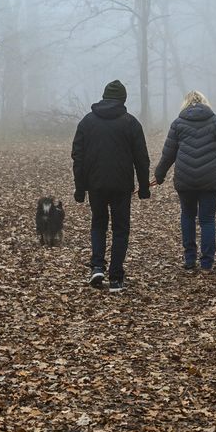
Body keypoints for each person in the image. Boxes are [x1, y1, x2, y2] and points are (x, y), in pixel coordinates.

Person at [72, 80, 151, 293]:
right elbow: (141, 158)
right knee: (120, 229)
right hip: (121, 185)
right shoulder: (130, 123)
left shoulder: (87, 122)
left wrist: (80, 188)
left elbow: (77, 157)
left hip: (95, 184)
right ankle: (116, 277)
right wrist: (144, 187)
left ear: (104, 97)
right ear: (123, 99)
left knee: (98, 224)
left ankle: (97, 266)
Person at [153, 91, 216, 273]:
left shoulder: (178, 124)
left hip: (185, 179)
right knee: (207, 220)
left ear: (185, 104)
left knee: (188, 216)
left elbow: (168, 153)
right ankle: (207, 262)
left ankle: (189, 259)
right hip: (210, 180)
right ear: (205, 102)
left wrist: (159, 176)